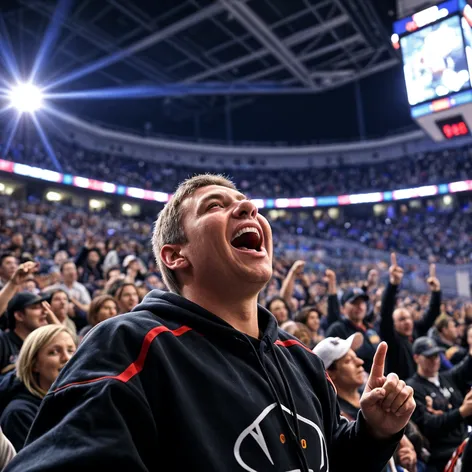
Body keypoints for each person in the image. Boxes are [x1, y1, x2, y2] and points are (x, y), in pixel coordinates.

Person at [4, 175, 415, 472]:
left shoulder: (302, 361)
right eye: (214, 206)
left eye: (245, 201)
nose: (247, 207)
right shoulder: (129, 345)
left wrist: (373, 433)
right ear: (175, 256)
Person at [0, 325, 76, 451]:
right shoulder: (19, 413)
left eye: (71, 350)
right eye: (54, 352)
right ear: (34, 364)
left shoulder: (78, 400)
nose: (67, 358)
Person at [407, 336, 472, 471]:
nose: (435, 360)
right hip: (442, 455)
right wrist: (461, 412)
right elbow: (428, 425)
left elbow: (465, 367)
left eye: (436, 355)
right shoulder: (412, 388)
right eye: (429, 357)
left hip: (465, 442)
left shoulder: (446, 377)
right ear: (416, 358)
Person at [379, 254, 441, 381]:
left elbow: (432, 314)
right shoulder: (392, 339)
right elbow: (385, 313)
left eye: (408, 318)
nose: (406, 321)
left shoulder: (416, 332)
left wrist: (436, 292)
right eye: (401, 319)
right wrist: (393, 285)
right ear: (394, 324)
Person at [0, 293, 58, 374]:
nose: (45, 312)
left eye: (45, 308)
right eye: (36, 308)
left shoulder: (42, 342)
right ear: (19, 316)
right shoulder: (3, 341)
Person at [313, 333, 365, 420]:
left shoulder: (371, 394)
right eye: (348, 361)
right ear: (329, 374)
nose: (360, 362)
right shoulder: (335, 417)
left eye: (356, 356)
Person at [325, 286, 378, 371]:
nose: (360, 306)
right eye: (354, 302)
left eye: (362, 302)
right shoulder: (337, 329)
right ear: (343, 309)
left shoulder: (371, 330)